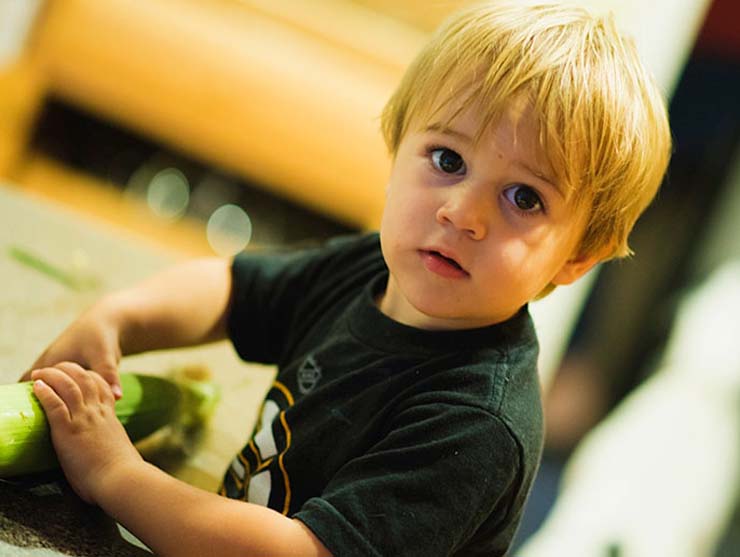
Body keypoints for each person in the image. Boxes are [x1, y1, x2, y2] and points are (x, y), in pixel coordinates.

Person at [22, 3, 671, 556]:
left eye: (524, 198)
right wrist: (118, 318)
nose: (462, 212)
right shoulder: (372, 267)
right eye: (447, 159)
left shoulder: (476, 424)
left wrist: (112, 471)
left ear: (575, 258)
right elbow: (231, 287)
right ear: (396, 147)